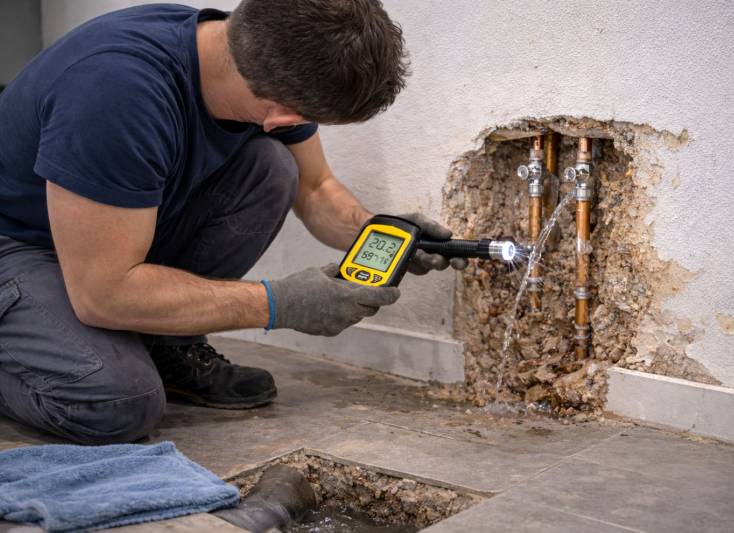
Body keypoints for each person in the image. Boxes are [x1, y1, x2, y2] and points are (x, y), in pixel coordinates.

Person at [0, 0, 464, 445]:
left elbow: (316, 188)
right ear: (283, 114)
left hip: (97, 245)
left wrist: (378, 232)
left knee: (273, 168)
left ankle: (165, 341)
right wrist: (278, 303)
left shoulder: (253, 48)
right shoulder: (116, 94)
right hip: (15, 245)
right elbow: (104, 294)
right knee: (117, 401)